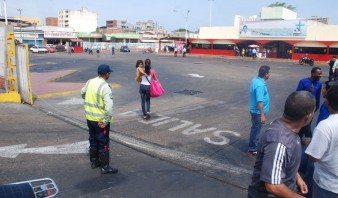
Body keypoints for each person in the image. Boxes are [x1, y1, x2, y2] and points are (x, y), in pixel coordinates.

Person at [248, 91, 316, 198]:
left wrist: (297, 177)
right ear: (308, 116)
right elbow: (273, 186)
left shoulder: (287, 128)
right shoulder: (279, 142)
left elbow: (284, 163)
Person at [81, 64, 118, 174]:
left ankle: (94, 161)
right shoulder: (105, 87)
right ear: (107, 74)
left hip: (89, 118)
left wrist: (89, 100)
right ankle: (105, 166)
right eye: (109, 73)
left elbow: (82, 93)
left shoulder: (90, 82)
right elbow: (109, 107)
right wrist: (106, 121)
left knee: (93, 139)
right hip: (100, 121)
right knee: (103, 142)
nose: (109, 74)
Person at [305, 85, 338, 198]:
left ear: (327, 102)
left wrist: (309, 143)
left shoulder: (326, 126)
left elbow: (314, 156)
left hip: (328, 185)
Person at [247, 65, 271, 156]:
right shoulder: (260, 85)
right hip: (257, 112)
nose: (270, 74)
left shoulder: (255, 80)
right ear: (266, 74)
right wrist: (262, 115)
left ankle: (253, 147)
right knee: (256, 131)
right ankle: (252, 149)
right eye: (269, 73)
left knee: (255, 129)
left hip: (255, 111)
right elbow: (259, 101)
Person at [296, 67, 322, 139]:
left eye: (321, 74)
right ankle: (300, 138)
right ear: (313, 74)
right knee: (301, 123)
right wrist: (307, 90)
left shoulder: (319, 83)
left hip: (311, 108)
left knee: (308, 123)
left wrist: (317, 105)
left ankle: (305, 137)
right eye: (318, 74)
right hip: (302, 107)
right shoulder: (303, 81)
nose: (320, 75)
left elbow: (318, 95)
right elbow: (297, 93)